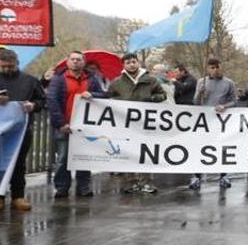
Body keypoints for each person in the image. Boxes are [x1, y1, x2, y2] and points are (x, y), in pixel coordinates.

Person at [0, 48, 46, 213]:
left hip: (21, 130)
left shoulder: (30, 80)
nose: (7, 69)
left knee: (19, 163)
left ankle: (18, 196)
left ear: (17, 64)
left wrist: (33, 106)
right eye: (3, 67)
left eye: (11, 67)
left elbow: (42, 100)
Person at [48, 51, 105, 198]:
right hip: (65, 124)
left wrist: (93, 95)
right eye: (72, 59)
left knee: (84, 157)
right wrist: (60, 123)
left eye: (78, 59)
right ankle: (62, 187)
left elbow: (104, 96)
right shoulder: (58, 79)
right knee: (62, 158)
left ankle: (84, 187)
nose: (75, 62)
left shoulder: (92, 79)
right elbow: (52, 101)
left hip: (84, 126)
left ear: (83, 62)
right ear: (67, 62)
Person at [107, 53, 167, 193]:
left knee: (145, 152)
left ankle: (146, 182)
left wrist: (151, 99)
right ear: (124, 65)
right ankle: (131, 182)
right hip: (126, 124)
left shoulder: (150, 80)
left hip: (145, 123)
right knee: (128, 152)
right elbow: (109, 99)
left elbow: (162, 95)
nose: (131, 64)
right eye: (128, 62)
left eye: (133, 62)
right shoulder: (117, 82)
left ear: (138, 63)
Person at [192, 58, 237, 190]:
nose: (215, 70)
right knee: (201, 148)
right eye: (212, 67)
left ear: (221, 67)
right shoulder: (201, 82)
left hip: (221, 121)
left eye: (217, 67)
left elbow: (234, 101)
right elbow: (195, 103)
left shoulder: (229, 83)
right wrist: (199, 92)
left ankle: (223, 176)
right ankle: (196, 176)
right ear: (208, 69)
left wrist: (224, 105)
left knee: (222, 148)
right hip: (204, 122)